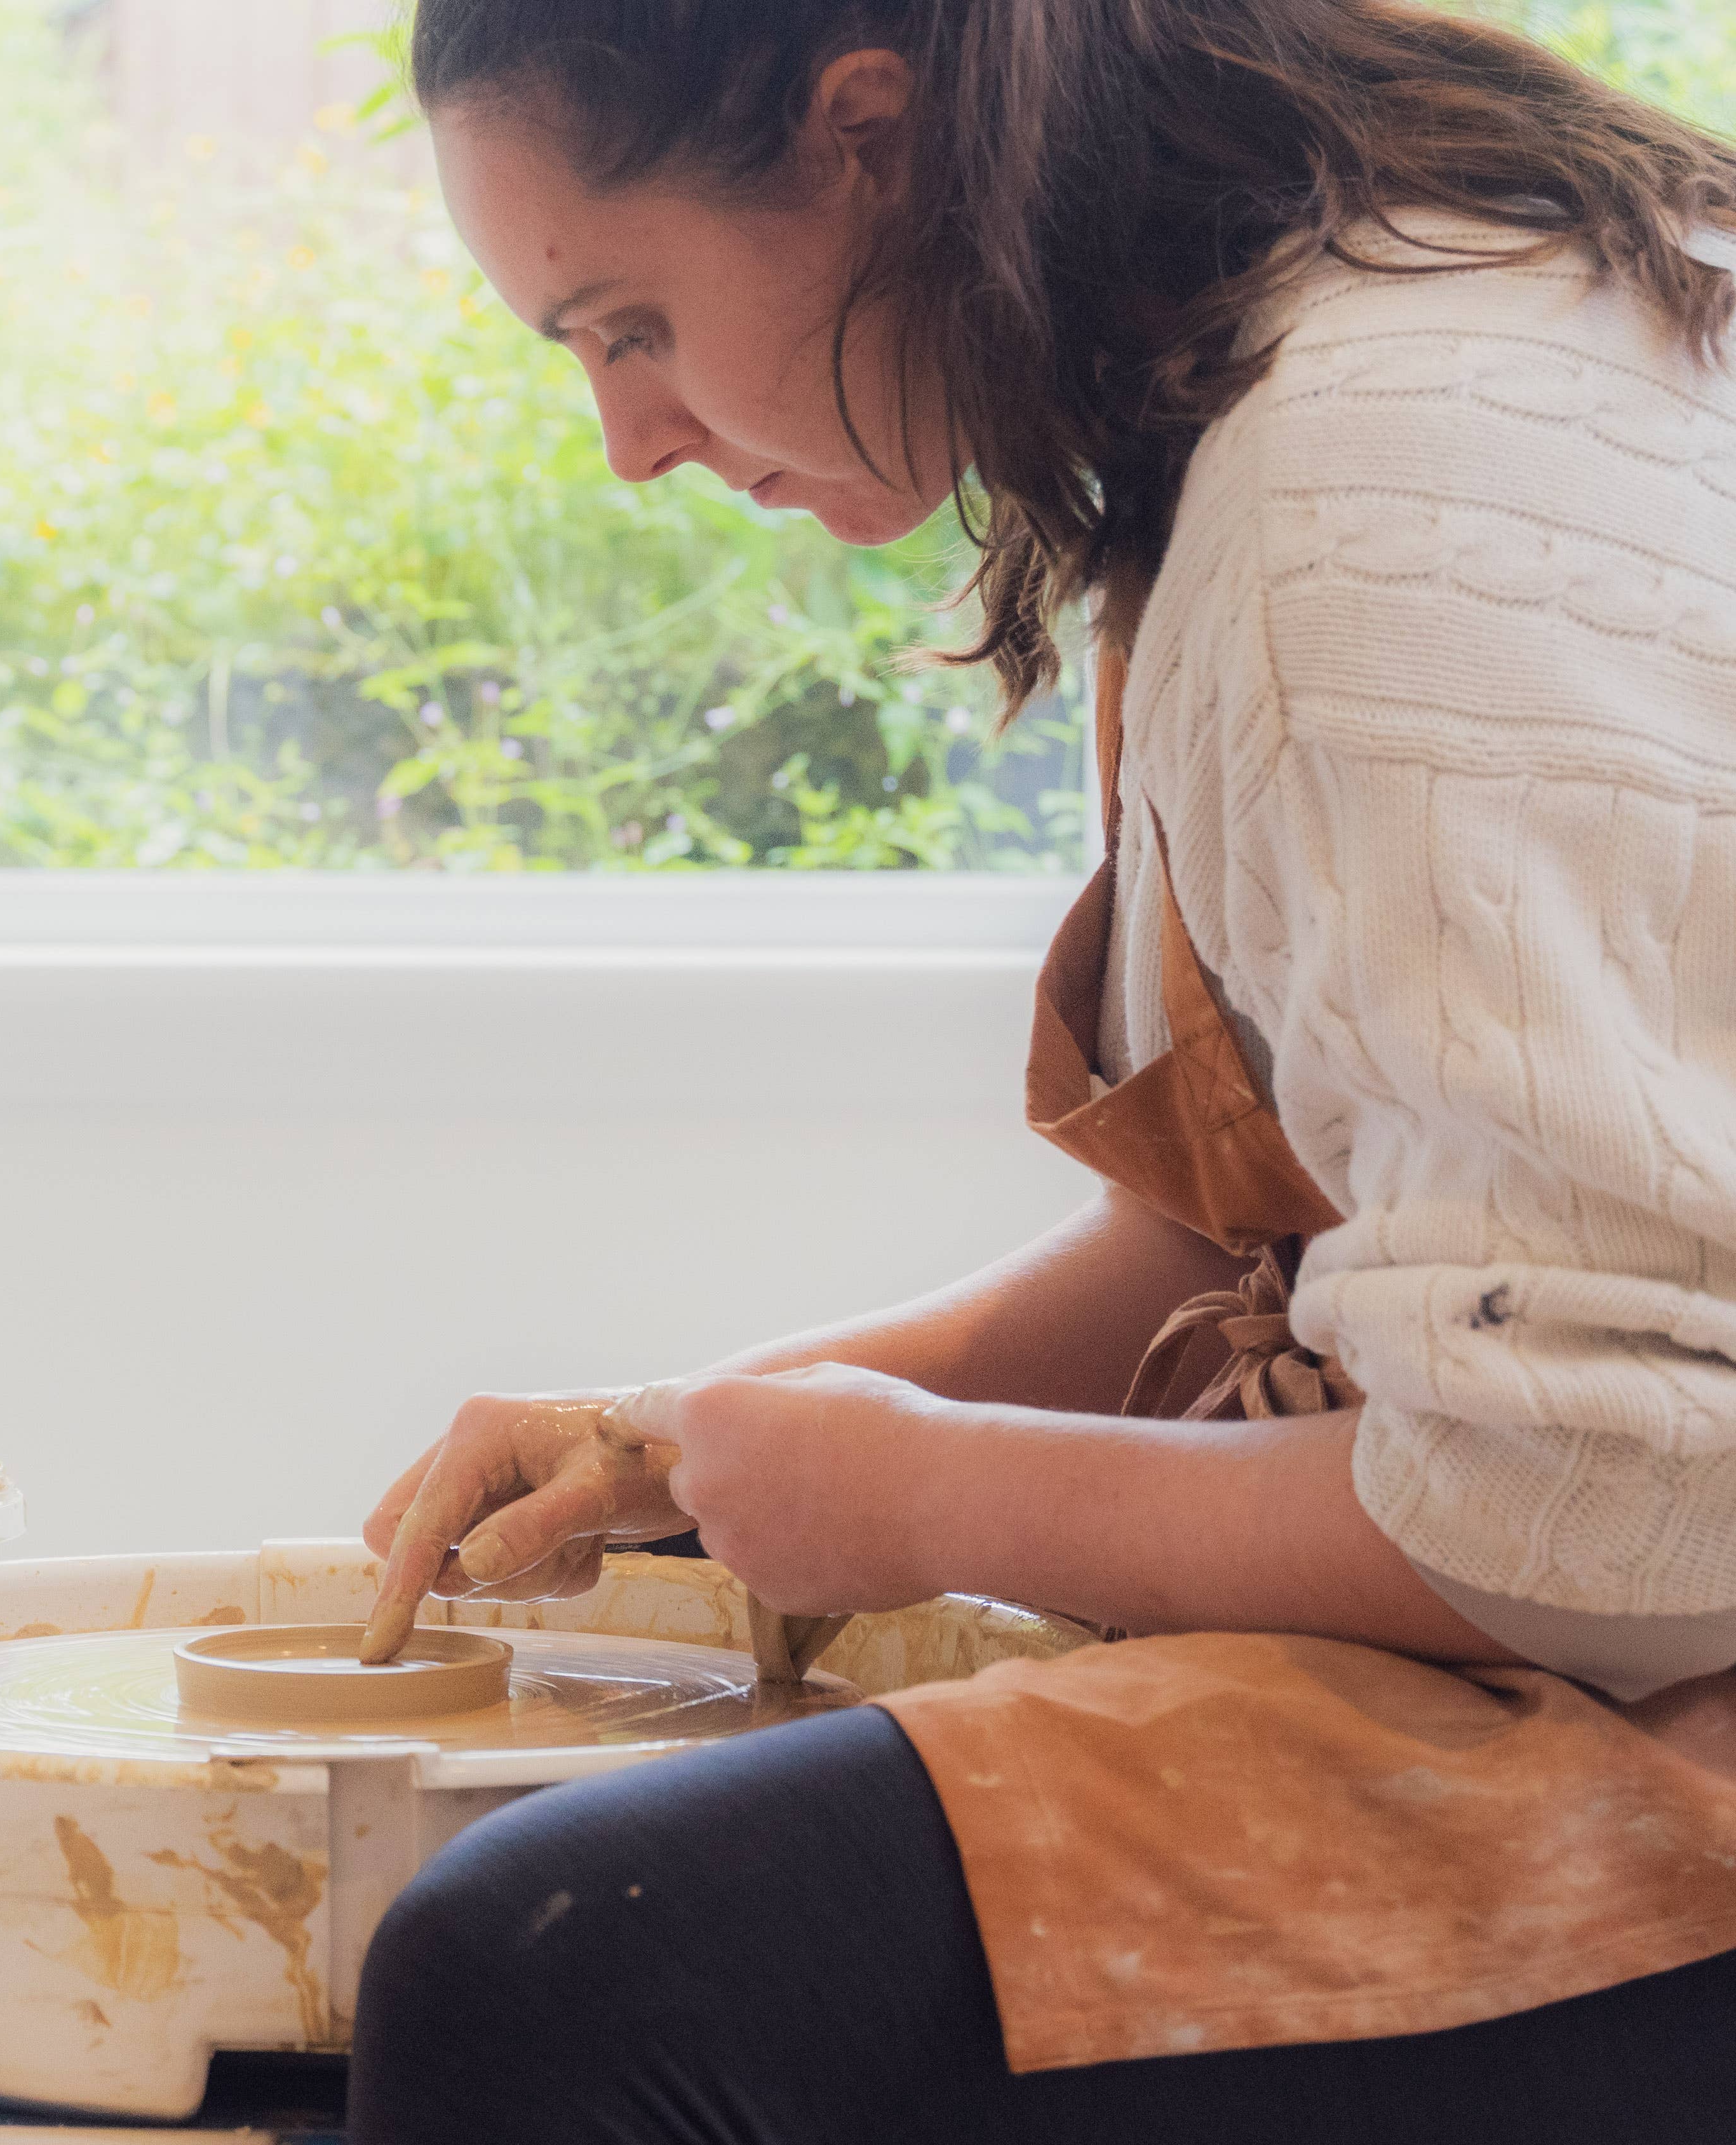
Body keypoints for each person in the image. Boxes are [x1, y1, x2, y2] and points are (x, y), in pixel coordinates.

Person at [344, 4, 1736, 2139]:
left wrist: (919, 1496)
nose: (627, 442)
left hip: (1669, 1633)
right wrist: (665, 1448)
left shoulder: (1374, 501)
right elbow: (1223, 1239)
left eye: (627, 324)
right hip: (1619, 1560)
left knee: (555, 1968)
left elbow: (1608, 1504)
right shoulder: (1313, 337)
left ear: (866, 139)